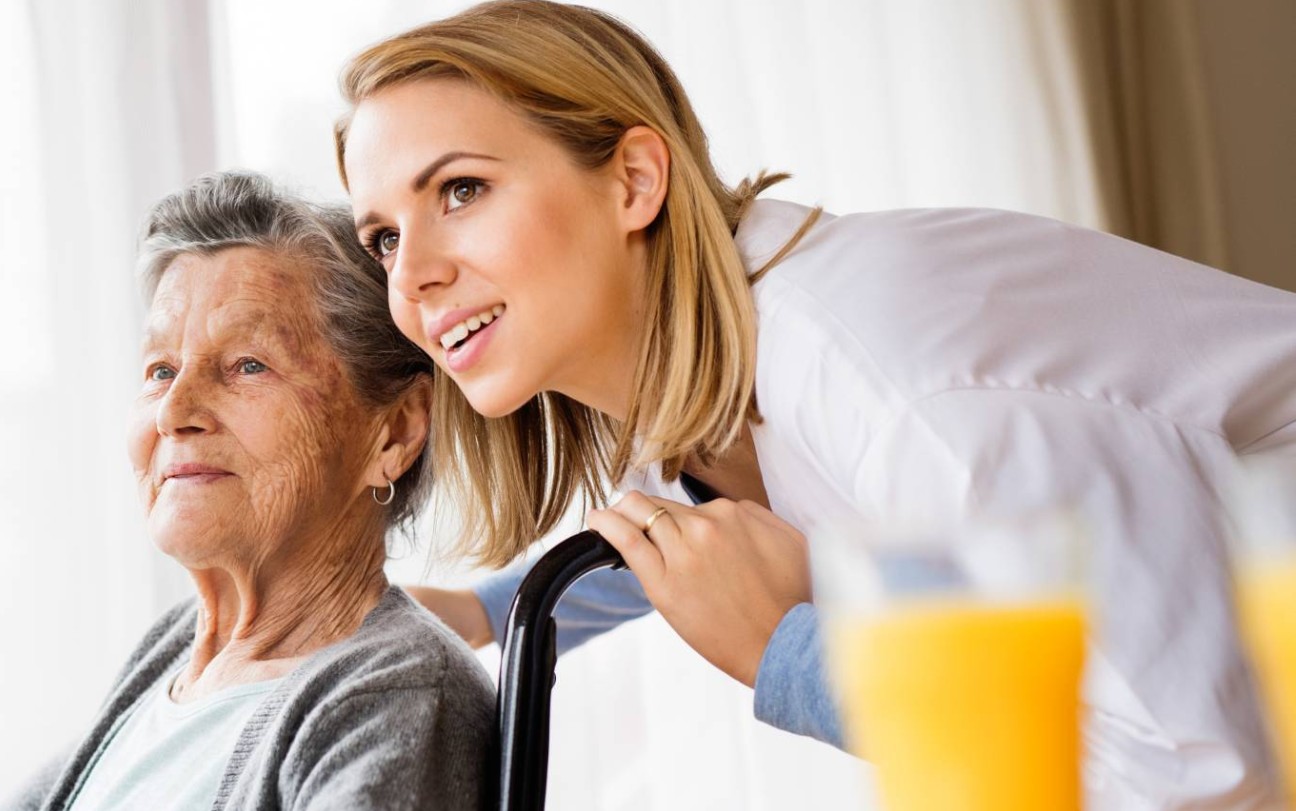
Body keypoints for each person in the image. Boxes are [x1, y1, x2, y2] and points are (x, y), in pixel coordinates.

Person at [333, 1, 1296, 806]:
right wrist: (483, 610)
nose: (411, 275)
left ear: (633, 180)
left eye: (461, 190)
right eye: (382, 238)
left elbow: (1202, 771)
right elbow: (705, 545)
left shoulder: (897, 382)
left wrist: (796, 658)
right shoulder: (687, 387)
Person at [4, 171, 494, 811]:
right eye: (160, 370)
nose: (173, 411)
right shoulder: (180, 652)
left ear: (394, 433)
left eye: (247, 365)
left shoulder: (394, 697)